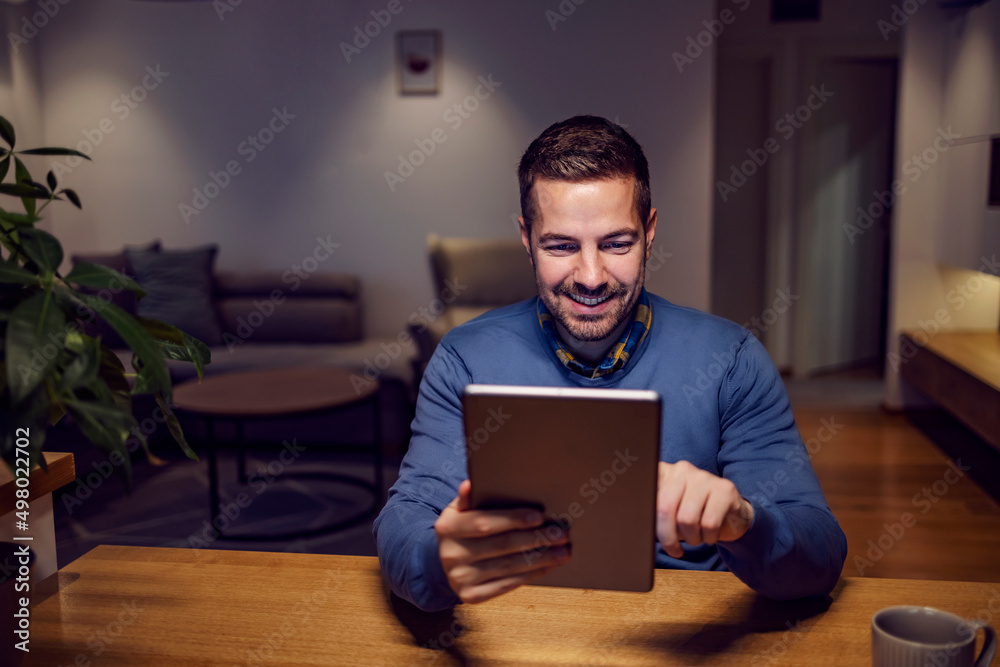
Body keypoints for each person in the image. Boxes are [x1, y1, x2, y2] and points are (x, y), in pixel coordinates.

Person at [374, 115, 847, 612]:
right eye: (561, 246)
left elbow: (820, 556)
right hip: (518, 625)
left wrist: (744, 521)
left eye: (617, 244)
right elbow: (404, 524)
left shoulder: (730, 360)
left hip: (682, 635)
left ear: (650, 230)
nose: (592, 276)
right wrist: (440, 563)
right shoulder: (464, 359)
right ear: (525, 237)